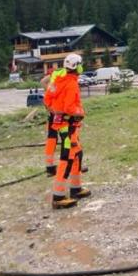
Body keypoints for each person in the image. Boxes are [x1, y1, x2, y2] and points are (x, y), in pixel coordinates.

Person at [48, 53, 91, 209]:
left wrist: (56, 112)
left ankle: (76, 188)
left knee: (77, 154)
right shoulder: (71, 84)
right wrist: (80, 113)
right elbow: (69, 107)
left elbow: (47, 99)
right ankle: (58, 197)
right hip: (69, 125)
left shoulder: (58, 79)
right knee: (67, 157)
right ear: (77, 67)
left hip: (62, 123)